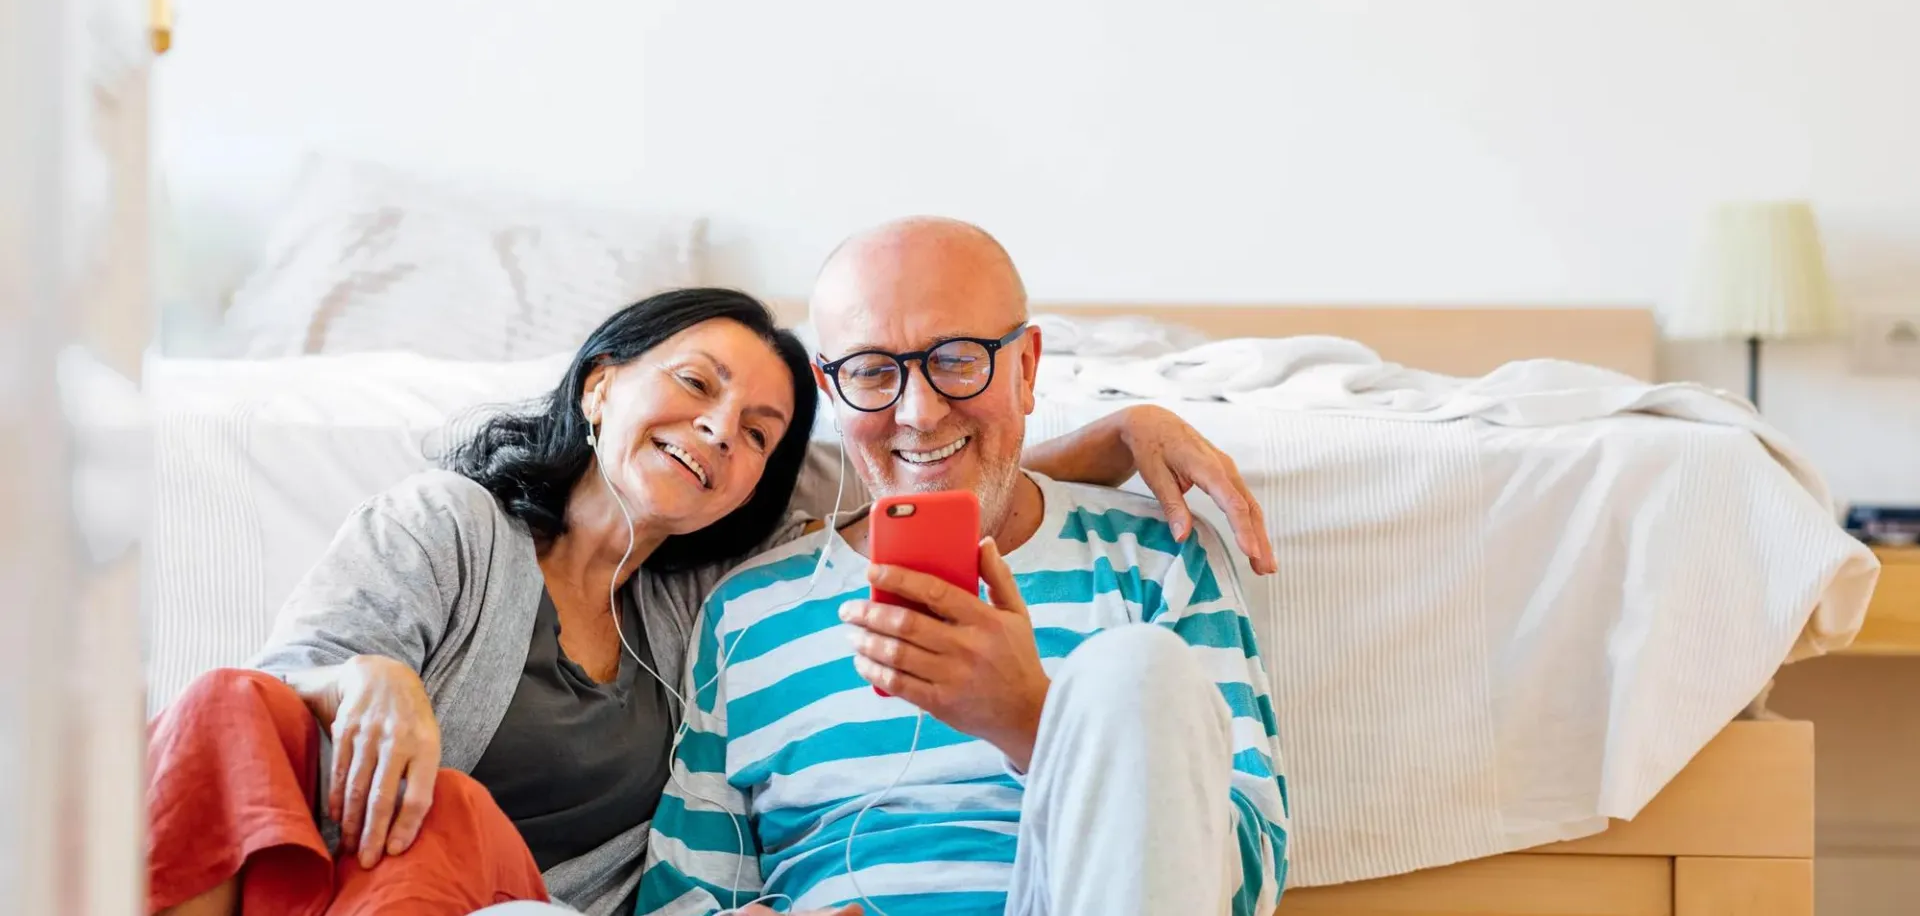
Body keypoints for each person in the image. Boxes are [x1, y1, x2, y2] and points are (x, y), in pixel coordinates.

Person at [145, 287, 1275, 916]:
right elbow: (275, 714)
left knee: (469, 847)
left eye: (758, 434)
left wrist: (1112, 437)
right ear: (601, 384)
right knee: (227, 709)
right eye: (694, 385)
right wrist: (367, 673)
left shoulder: (701, 600)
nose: (716, 432)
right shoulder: (455, 528)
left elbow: (916, 456)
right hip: (350, 868)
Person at [638, 222, 1288, 916]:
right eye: (871, 371)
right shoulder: (749, 611)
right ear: (832, 391)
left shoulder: (1157, 555)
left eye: (956, 359)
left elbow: (1248, 875)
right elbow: (681, 896)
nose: (919, 413)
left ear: (1026, 368)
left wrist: (1032, 721)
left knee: (1136, 667)